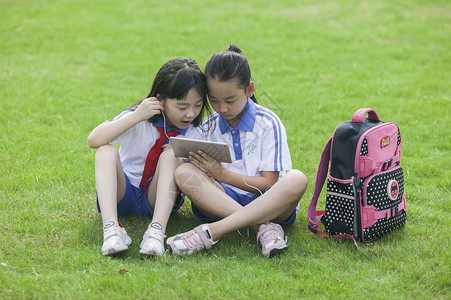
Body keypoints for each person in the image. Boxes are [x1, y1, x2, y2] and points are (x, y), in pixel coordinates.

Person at [166, 45, 308, 258]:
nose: (222, 109)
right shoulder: (209, 125)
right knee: (183, 173)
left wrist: (222, 175)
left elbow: (270, 183)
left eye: (230, 101)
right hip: (221, 201)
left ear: (249, 90)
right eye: (213, 101)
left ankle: (212, 232)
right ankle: (262, 228)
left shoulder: (268, 123)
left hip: (270, 202)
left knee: (297, 179)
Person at [87, 57, 210, 256]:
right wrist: (136, 116)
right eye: (182, 106)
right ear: (160, 100)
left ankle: (156, 232)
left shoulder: (197, 131)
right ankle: (111, 229)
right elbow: (94, 139)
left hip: (158, 199)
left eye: (197, 105)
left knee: (170, 155)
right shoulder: (139, 117)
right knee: (105, 150)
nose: (191, 113)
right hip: (123, 193)